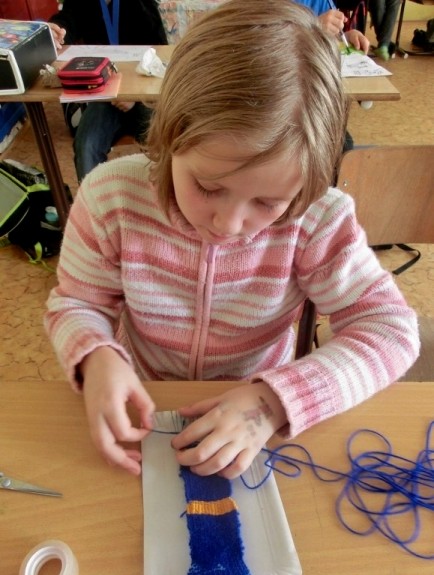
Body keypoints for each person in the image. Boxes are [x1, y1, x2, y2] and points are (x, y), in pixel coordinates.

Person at [45, 0, 419, 479]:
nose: (228, 223)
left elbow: (390, 330)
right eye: (207, 187)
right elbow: (77, 303)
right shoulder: (111, 196)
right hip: (146, 401)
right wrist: (96, 356)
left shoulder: (317, 218)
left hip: (254, 416)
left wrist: (272, 402)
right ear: (170, 135)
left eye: (268, 202)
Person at [48, 0, 167, 182]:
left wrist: (132, 94)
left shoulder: (142, 4)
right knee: (86, 146)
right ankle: (92, 198)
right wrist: (56, 31)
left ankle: (162, 196)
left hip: (143, 95)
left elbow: (159, 52)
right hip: (104, 95)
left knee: (162, 143)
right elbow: (68, 21)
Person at [295, 0, 370, 153]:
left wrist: (345, 38)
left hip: (316, 98)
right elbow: (261, 43)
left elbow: (330, 36)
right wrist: (313, 28)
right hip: (282, 104)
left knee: (344, 145)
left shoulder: (321, 2)